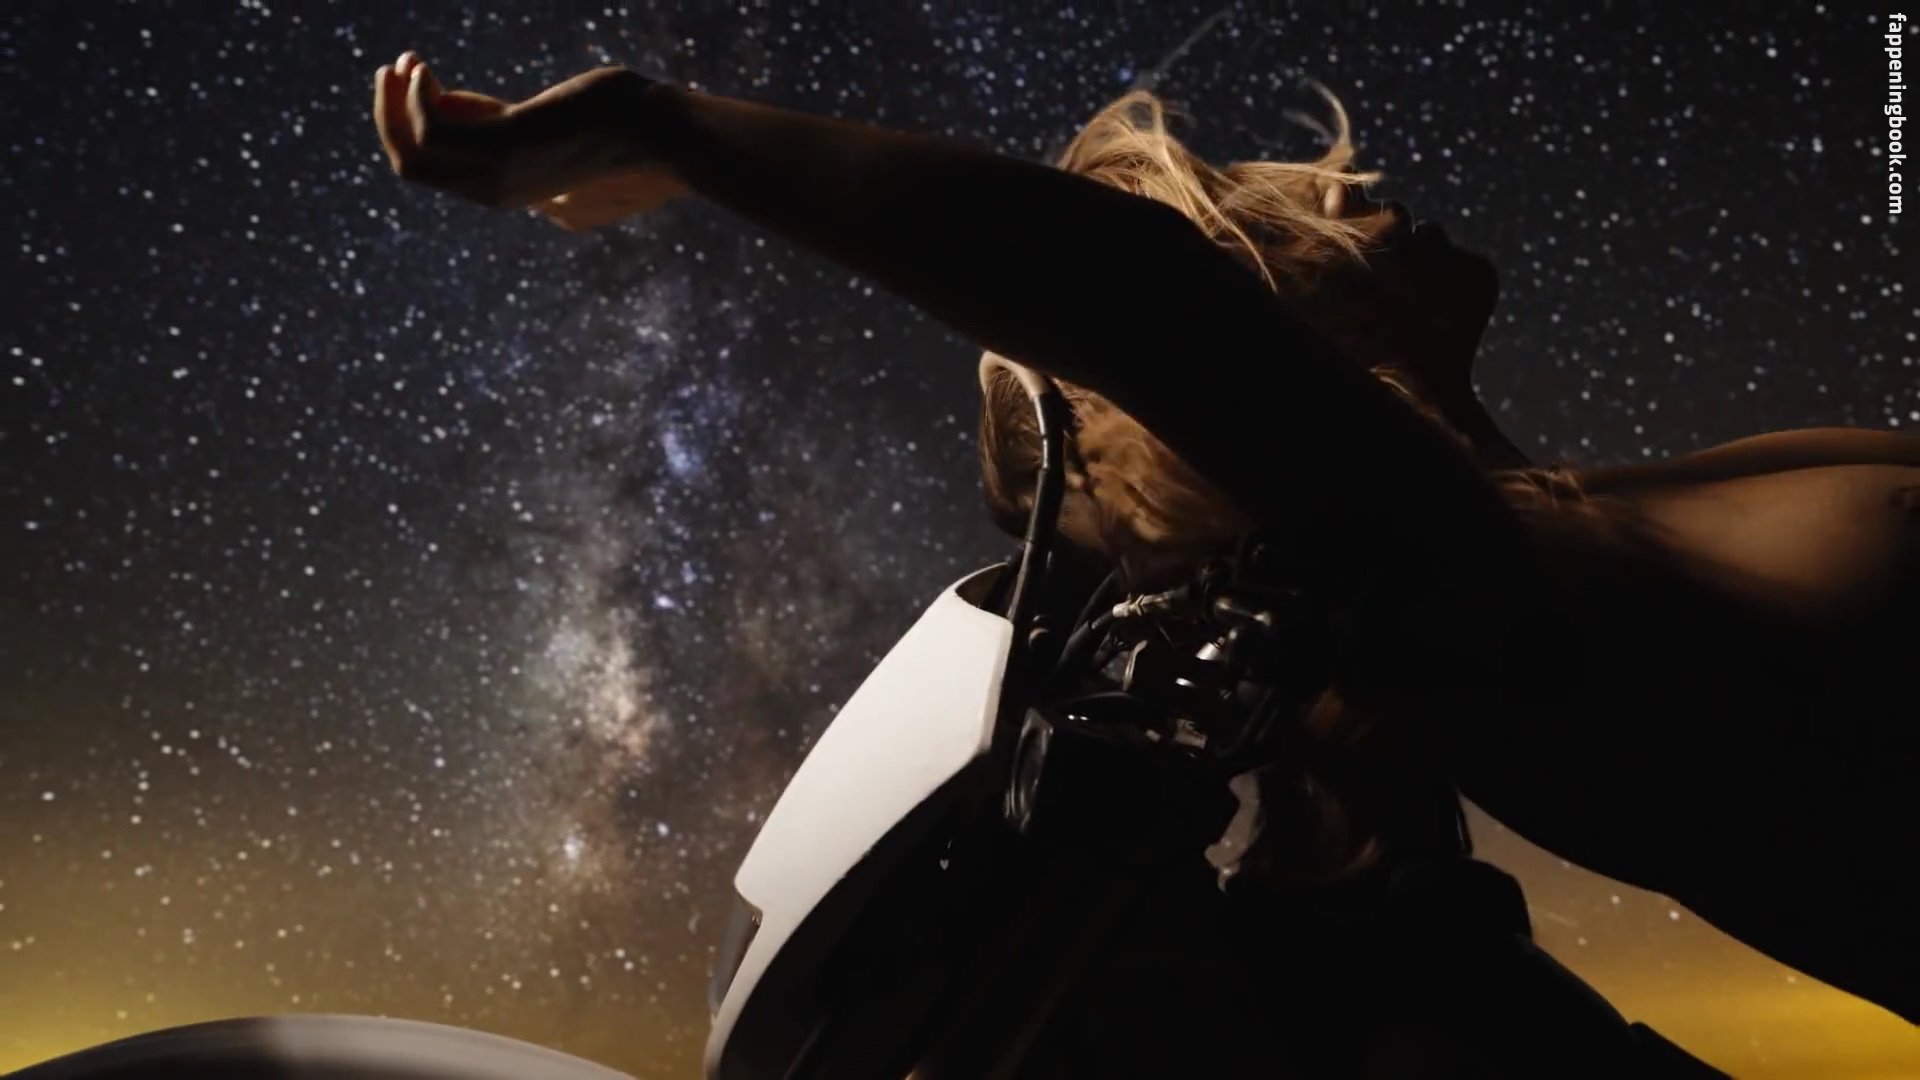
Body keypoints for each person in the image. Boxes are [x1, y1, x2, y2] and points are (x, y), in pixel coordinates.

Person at [370, 52, 1918, 1023]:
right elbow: (1139, 301)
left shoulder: (1616, 511)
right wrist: (667, 125)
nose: (1349, 183)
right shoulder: (1472, 608)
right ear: (1261, 352)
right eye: (1280, 210)